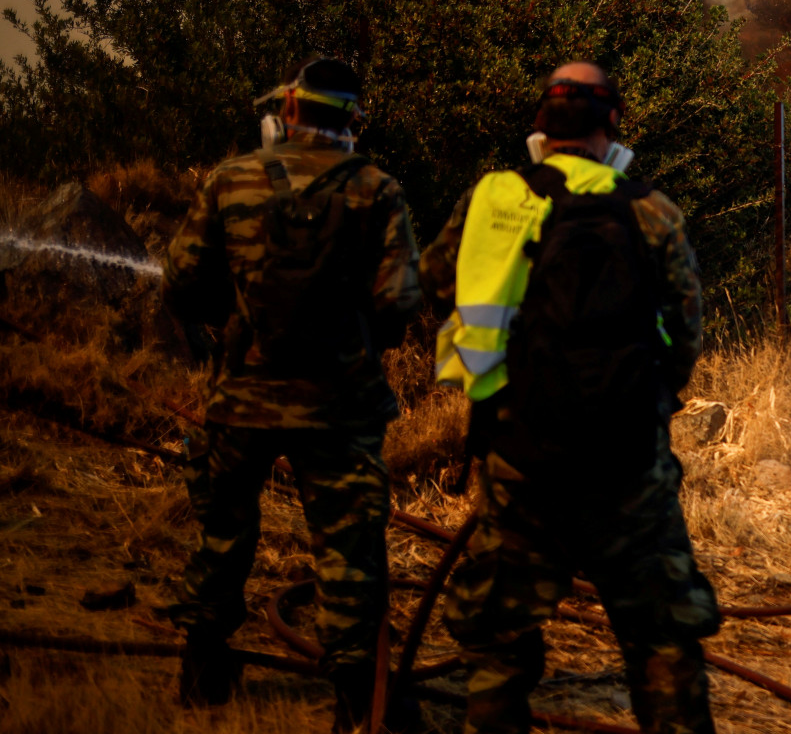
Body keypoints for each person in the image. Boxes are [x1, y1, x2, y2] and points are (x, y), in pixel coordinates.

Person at [422, 61, 718, 734]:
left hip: (520, 458)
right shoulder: (651, 211)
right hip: (628, 468)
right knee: (663, 640)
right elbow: (686, 341)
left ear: (539, 127)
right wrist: (640, 402)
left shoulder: (491, 198)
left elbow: (438, 284)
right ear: (612, 125)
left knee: (498, 641)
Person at [161, 57, 424, 732]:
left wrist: (236, 319)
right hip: (340, 408)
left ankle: (201, 674)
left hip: (240, 401)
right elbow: (399, 303)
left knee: (222, 536)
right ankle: (354, 704)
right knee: (347, 556)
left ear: (289, 109)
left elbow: (185, 282)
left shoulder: (232, 178)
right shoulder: (376, 188)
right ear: (355, 121)